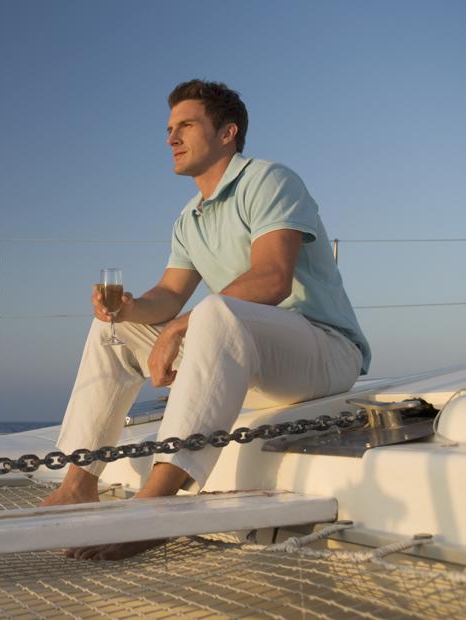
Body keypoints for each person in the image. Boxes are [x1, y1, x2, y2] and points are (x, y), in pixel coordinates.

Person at [40, 80, 370, 561]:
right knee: (112, 331)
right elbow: (170, 294)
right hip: (247, 357)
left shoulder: (269, 180)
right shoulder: (189, 217)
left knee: (215, 311)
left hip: (322, 351)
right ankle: (79, 482)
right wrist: (129, 309)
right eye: (169, 129)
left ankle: (158, 507)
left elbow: (273, 278)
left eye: (186, 125)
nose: (171, 138)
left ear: (227, 133)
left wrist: (177, 330)